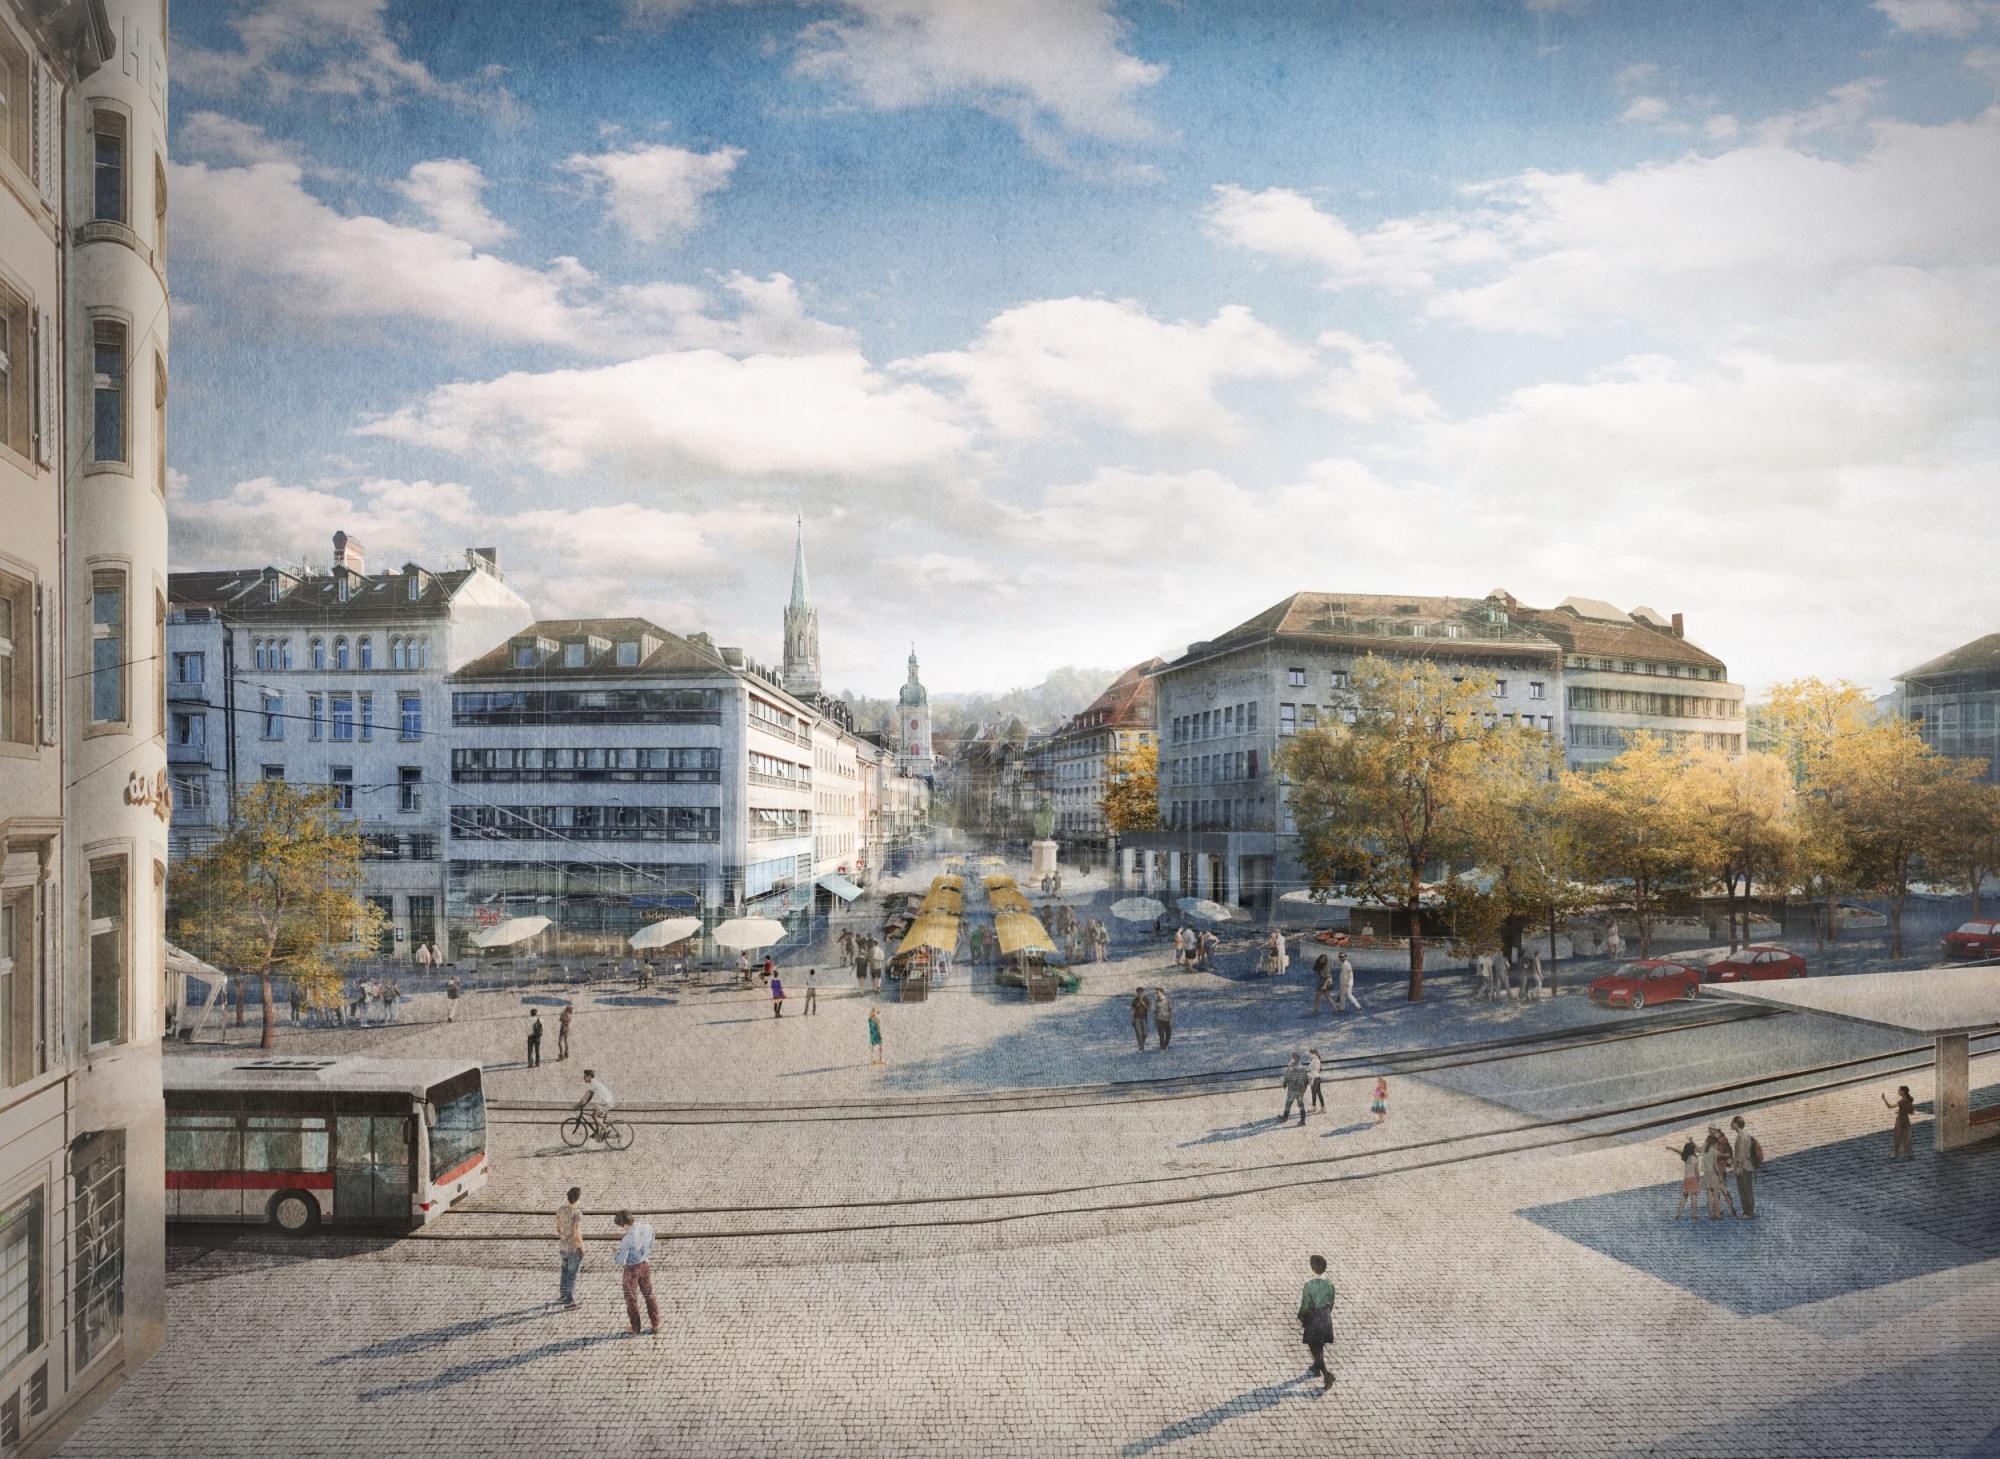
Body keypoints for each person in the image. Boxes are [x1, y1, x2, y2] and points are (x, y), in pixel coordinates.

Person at [612, 1210, 661, 1336]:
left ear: (623, 1225)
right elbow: (652, 1240)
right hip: (644, 1265)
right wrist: (645, 1254)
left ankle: (635, 1327)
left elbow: (621, 1260)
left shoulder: (627, 1239)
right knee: (649, 1294)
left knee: (631, 1298)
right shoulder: (647, 1228)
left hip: (631, 1270)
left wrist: (615, 1253)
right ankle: (656, 1324)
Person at [1297, 1254, 1336, 1390]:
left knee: (1313, 1346)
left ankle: (1326, 1374)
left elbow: (1306, 1304)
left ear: (1312, 1268)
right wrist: (1327, 1313)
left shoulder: (1309, 1284)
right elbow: (1331, 1300)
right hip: (1325, 1316)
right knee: (1318, 1344)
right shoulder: (1329, 1282)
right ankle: (1316, 1366)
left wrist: (1302, 1318)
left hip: (1314, 1317)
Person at [554, 1186, 585, 1306]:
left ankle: (563, 1296)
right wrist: (582, 1247)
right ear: (578, 1198)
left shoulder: (560, 1209)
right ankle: (569, 1301)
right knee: (572, 1274)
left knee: (564, 1271)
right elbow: (577, 1233)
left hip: (562, 1246)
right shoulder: (577, 1214)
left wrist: (563, 1235)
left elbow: (556, 1226)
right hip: (573, 1248)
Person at [1730, 1115, 1757, 1218]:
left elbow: (1740, 1153)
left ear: (1736, 1124)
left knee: (1744, 1190)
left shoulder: (1741, 1136)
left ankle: (1748, 1212)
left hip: (1743, 1167)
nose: (1731, 1125)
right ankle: (1748, 1211)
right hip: (1747, 1166)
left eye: (1732, 1122)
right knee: (1747, 1189)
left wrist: (1738, 1168)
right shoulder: (1746, 1134)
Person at [577, 1069, 615, 1140]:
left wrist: (578, 1104)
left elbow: (586, 1096)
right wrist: (584, 1104)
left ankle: (606, 1130)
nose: (583, 1078)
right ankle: (597, 1132)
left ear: (589, 1076)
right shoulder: (593, 1083)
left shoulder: (593, 1084)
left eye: (584, 1076)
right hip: (608, 1101)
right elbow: (590, 1096)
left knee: (594, 1116)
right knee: (595, 1113)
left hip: (608, 1102)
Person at [1669, 1139, 1701, 1220]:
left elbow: (1677, 1151)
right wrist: (1698, 1179)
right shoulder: (1695, 1158)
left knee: (1684, 1196)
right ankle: (1694, 1215)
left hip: (1686, 1178)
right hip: (1693, 1178)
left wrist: (1670, 1148)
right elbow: (1696, 1170)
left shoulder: (1685, 1157)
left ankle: (1679, 1214)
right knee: (1693, 1197)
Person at [1884, 1085, 1915, 1159]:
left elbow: (1890, 1106)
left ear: (1903, 1092)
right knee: (1906, 1136)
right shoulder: (1910, 1100)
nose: (1898, 1091)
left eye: (1899, 1090)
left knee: (1898, 1136)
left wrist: (1884, 1099)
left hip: (1900, 1120)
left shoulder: (1901, 1101)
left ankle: (1895, 1153)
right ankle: (1910, 1153)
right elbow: (1912, 1112)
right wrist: (1902, 1111)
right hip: (1906, 1120)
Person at [1281, 1054, 1311, 1126]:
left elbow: (1287, 1077)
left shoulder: (1290, 1068)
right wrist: (1305, 1087)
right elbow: (1306, 1079)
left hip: (1292, 1089)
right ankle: (1303, 1120)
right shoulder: (1302, 1068)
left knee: (1288, 1103)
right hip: (1300, 1090)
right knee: (1301, 1104)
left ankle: (1285, 1117)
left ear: (1293, 1059)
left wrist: (1284, 1085)